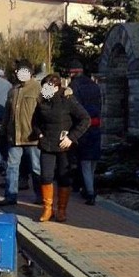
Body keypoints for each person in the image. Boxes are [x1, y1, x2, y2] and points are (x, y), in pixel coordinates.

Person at [32, 73, 90, 222]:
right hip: (47, 144)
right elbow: (35, 122)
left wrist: (71, 137)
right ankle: (47, 209)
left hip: (65, 146)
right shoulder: (42, 101)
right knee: (45, 176)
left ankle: (62, 209)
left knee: (64, 178)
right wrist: (39, 134)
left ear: (56, 87)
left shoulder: (68, 100)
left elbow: (85, 119)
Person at [0, 60, 42, 207]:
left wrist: (67, 91)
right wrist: (3, 129)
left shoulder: (39, 88)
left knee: (36, 168)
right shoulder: (13, 90)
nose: (18, 74)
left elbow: (55, 99)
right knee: (12, 166)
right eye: (17, 72)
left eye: (21, 71)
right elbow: (7, 112)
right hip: (14, 136)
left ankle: (40, 196)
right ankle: (11, 196)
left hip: (32, 137)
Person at [68, 59, 102, 205]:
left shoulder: (74, 86)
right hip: (96, 126)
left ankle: (89, 191)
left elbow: (73, 109)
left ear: (74, 72)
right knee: (91, 162)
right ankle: (87, 187)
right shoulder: (94, 85)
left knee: (83, 161)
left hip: (81, 127)